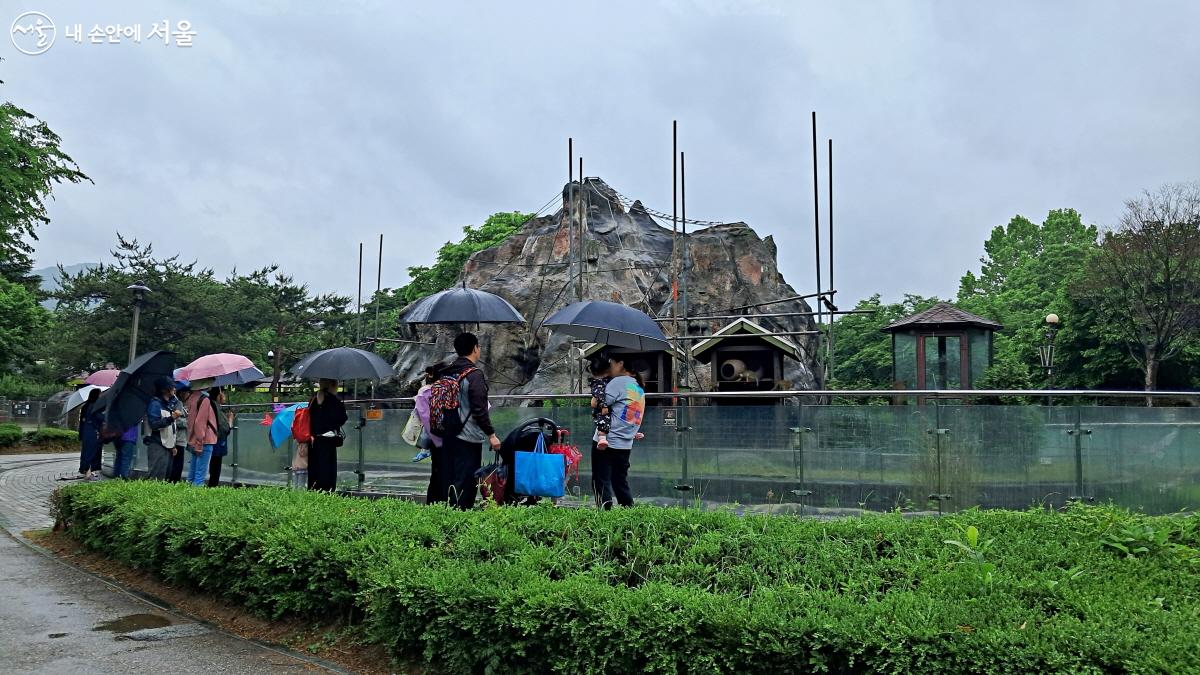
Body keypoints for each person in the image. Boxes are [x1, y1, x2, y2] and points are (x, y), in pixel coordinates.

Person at [438, 332, 500, 510]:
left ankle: (447, 513)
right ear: (475, 348)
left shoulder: (446, 373)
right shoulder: (474, 375)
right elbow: (480, 410)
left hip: (447, 433)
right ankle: (462, 516)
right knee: (466, 480)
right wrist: (492, 435)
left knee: (451, 477)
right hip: (467, 436)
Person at [591, 353, 646, 509]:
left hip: (607, 440)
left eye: (612, 362)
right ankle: (629, 512)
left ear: (620, 363)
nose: (610, 366)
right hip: (626, 443)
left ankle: (604, 515)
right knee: (620, 481)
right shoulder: (637, 386)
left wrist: (599, 383)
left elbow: (596, 403)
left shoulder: (617, 383)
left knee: (601, 481)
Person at [307, 378, 348, 491]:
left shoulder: (313, 399)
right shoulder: (334, 401)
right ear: (333, 384)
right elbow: (342, 418)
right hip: (328, 441)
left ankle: (313, 489)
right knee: (327, 468)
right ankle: (327, 490)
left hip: (314, 440)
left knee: (314, 468)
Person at [145, 377, 182, 480]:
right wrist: (172, 417)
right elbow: (154, 425)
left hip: (168, 447)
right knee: (155, 476)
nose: (174, 389)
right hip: (157, 445)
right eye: (172, 387)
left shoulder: (169, 405)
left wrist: (173, 445)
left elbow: (171, 429)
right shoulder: (155, 404)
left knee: (165, 477)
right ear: (164, 389)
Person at [186, 384, 218, 486]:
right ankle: (196, 499)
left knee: (192, 475)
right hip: (204, 441)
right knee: (200, 476)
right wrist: (200, 444)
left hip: (193, 439)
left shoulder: (191, 398)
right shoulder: (204, 400)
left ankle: (185, 495)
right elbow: (200, 422)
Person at [205, 387, 233, 487]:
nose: (224, 395)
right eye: (222, 393)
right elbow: (224, 429)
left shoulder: (210, 404)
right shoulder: (215, 407)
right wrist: (230, 420)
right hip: (217, 442)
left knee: (212, 467)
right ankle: (212, 487)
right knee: (215, 468)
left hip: (212, 441)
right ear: (218, 395)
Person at [77, 388, 104, 480]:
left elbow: (83, 421)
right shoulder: (95, 406)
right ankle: (89, 473)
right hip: (93, 431)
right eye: (100, 394)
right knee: (92, 451)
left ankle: (86, 471)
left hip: (86, 431)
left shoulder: (85, 406)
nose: (101, 396)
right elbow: (99, 418)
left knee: (86, 451)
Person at [587, 354, 613, 450]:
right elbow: (599, 395)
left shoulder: (605, 380)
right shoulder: (598, 382)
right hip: (602, 408)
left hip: (605, 406)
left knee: (605, 420)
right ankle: (602, 438)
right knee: (603, 420)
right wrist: (604, 406)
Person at [169, 381, 191, 483]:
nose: (188, 395)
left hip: (180, 439)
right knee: (177, 465)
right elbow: (176, 420)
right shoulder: (177, 403)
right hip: (178, 439)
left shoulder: (181, 404)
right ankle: (174, 483)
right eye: (187, 392)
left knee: (177, 465)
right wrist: (189, 422)